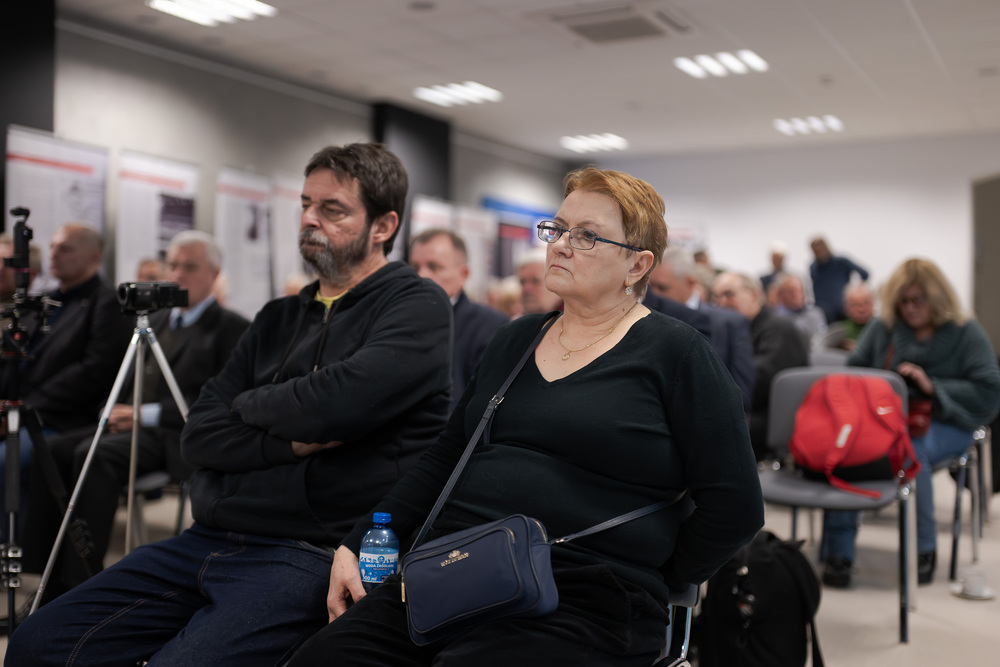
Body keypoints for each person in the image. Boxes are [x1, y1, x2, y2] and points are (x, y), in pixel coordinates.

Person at [288, 167, 764, 666]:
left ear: (637, 265)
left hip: (588, 596)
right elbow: (447, 455)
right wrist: (360, 540)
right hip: (460, 570)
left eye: (586, 236)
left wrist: (651, 569)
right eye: (557, 229)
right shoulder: (516, 339)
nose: (559, 246)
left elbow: (735, 506)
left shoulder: (677, 353)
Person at [7, 143, 453, 664]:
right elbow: (198, 432)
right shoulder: (276, 317)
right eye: (306, 204)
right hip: (209, 535)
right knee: (37, 642)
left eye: (332, 210)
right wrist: (290, 440)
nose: (310, 218)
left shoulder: (417, 305)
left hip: (309, 551)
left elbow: (334, 405)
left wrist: (247, 406)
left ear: (383, 226)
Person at [21, 231, 250, 600]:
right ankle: (42, 573)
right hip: (129, 429)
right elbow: (123, 380)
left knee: (92, 456)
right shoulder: (156, 320)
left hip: (176, 436)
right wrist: (114, 411)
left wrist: (143, 415)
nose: (177, 275)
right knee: (56, 449)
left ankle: (76, 584)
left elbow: (220, 400)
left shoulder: (231, 329)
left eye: (189, 267)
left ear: (214, 273)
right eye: (172, 265)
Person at [821, 258, 1000, 588]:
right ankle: (839, 552)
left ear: (937, 297)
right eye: (903, 300)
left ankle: (923, 549)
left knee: (912, 454)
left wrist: (932, 385)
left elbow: (989, 390)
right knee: (849, 451)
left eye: (918, 300)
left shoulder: (965, 332)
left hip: (948, 423)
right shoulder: (885, 327)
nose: (910, 308)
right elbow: (853, 373)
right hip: (888, 424)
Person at [1, 224, 132, 541]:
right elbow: (13, 358)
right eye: (53, 247)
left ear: (94, 257)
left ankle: (16, 550)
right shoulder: (44, 302)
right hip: (18, 412)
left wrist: (22, 411)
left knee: (7, 462)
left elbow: (92, 372)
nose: (54, 255)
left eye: (65, 248)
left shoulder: (107, 304)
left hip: (62, 420)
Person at [713, 271, 810, 460]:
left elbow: (755, 386)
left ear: (754, 295)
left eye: (729, 294)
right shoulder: (740, 329)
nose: (722, 303)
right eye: (717, 297)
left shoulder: (778, 329)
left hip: (771, 420)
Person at [409, 228, 508, 412]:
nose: (421, 275)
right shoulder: (398, 321)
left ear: (463, 275)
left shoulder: (491, 327)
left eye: (434, 266)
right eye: (414, 267)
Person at [648, 247, 755, 411]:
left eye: (662, 288)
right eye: (650, 288)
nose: (655, 296)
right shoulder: (645, 320)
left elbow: (741, 396)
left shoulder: (729, 324)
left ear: (690, 283)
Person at [809, 237, 869, 324]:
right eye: (816, 251)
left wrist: (856, 291)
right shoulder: (813, 267)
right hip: (824, 314)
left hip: (843, 311)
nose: (819, 253)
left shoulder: (841, 262)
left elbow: (865, 274)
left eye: (820, 249)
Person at [773, 273, 828, 345]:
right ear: (781, 294)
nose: (796, 295)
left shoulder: (816, 313)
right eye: (791, 292)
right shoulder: (776, 318)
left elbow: (824, 337)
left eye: (800, 291)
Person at [824, 282, 875, 351]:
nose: (861, 309)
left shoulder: (882, 328)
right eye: (855, 305)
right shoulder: (837, 331)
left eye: (866, 303)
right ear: (846, 307)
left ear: (873, 303)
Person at [516, 245, 562, 314]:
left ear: (558, 284)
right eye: (522, 282)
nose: (526, 289)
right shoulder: (516, 323)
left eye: (535, 281)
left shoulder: (577, 322)